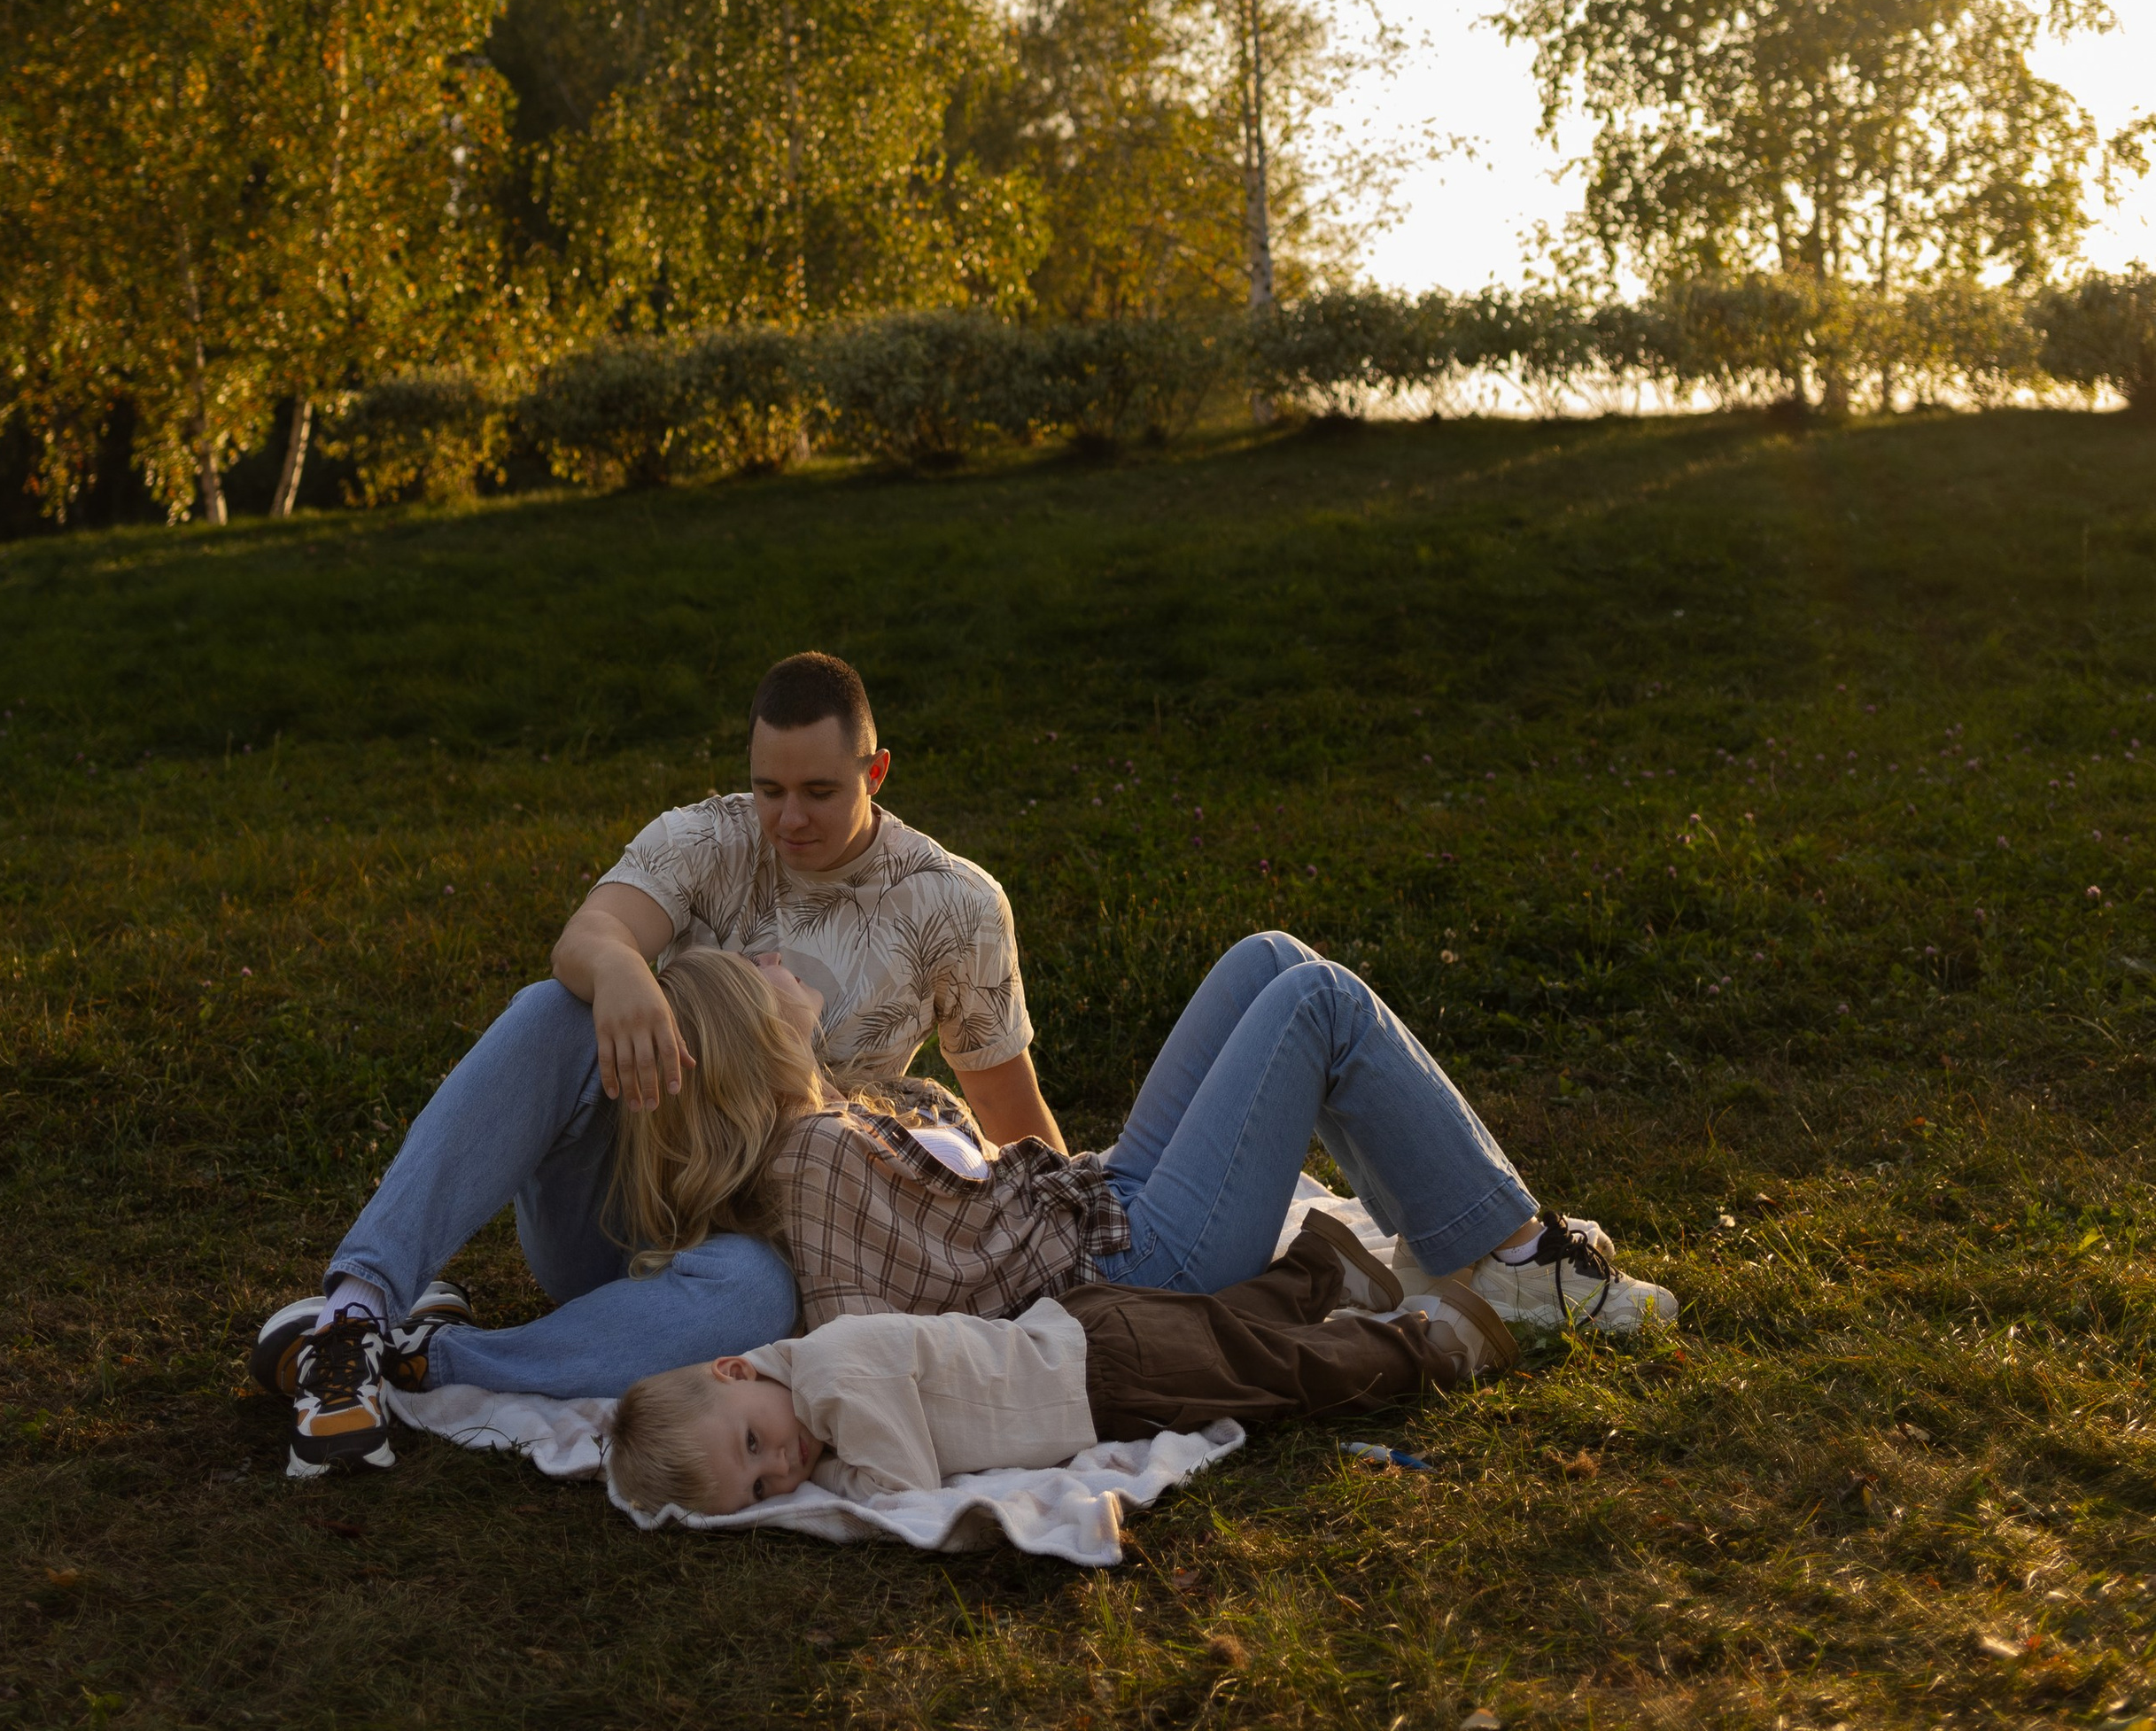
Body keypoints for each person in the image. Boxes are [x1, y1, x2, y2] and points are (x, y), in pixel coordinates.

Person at [252, 649, 1058, 1478]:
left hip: (760, 1244)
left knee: (760, 1295)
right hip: (614, 1206)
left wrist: (1067, 1245)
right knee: (555, 1009)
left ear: (875, 772)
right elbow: (588, 937)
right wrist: (621, 973)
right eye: (769, 789)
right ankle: (357, 1311)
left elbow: (1008, 1105)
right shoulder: (706, 838)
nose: (789, 820)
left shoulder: (955, 904)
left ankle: (427, 1359)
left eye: (820, 792)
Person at [630, 937, 1679, 1347]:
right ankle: (1513, 1264)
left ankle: (1451, 1235)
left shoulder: (828, 1124)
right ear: (751, 1031)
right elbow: (881, 1332)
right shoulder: (810, 1156)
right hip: (1133, 1262)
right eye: (749, 965)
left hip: (1095, 1198)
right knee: (1318, 1004)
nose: (770, 953)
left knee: (1269, 958)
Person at [604, 1211, 1519, 1519]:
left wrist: (839, 1477)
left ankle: (1426, 1343)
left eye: (756, 1445)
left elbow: (903, 1485)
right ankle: (1325, 1266)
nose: (785, 1470)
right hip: (1084, 1340)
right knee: (1231, 1329)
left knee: (1271, 1372)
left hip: (1102, 1377)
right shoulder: (806, 1384)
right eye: (763, 1490)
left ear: (733, 1371)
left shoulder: (834, 1376)